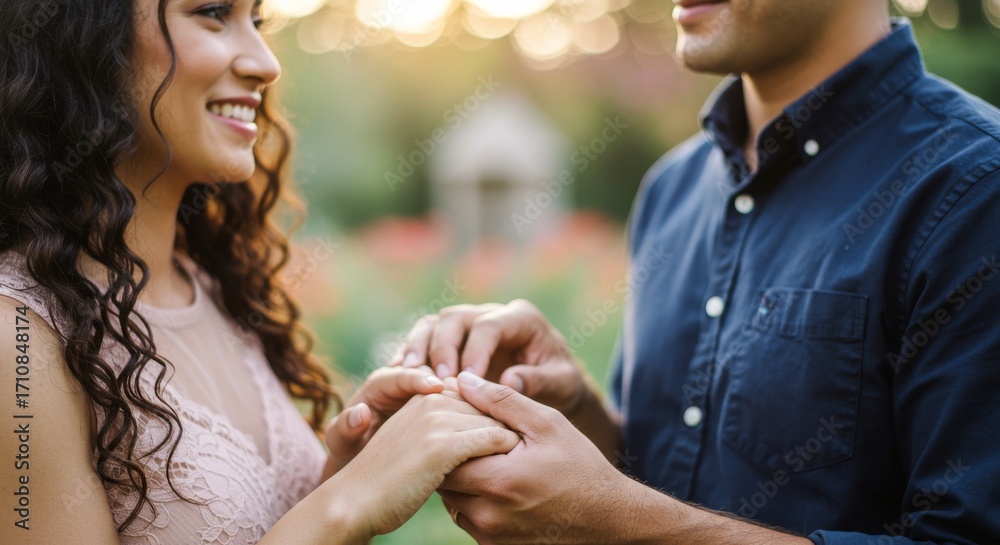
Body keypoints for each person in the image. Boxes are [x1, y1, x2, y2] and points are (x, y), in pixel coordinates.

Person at [395, 1, 1000, 543]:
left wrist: (614, 524)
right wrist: (578, 406)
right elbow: (663, 474)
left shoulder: (975, 189)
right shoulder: (673, 187)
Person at [0, 1, 519, 544]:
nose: (266, 63)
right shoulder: (22, 334)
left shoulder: (214, 286)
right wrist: (346, 503)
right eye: (214, 12)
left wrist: (352, 467)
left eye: (259, 21)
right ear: (83, 36)